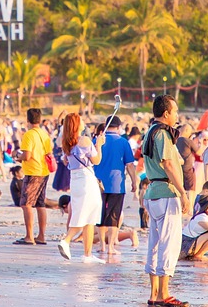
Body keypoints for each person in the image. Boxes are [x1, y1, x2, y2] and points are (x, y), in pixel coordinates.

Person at [141, 96, 191, 307]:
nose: (177, 115)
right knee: (169, 244)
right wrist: (183, 192)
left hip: (153, 192)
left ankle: (154, 293)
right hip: (166, 192)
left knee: (154, 244)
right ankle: (164, 293)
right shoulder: (162, 133)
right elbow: (169, 164)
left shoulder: (150, 132)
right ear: (166, 113)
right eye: (175, 111)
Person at [56, 112, 104, 263]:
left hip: (75, 179)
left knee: (89, 215)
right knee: (85, 214)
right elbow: (96, 160)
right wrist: (99, 145)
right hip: (86, 179)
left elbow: (66, 160)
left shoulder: (65, 142)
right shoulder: (84, 140)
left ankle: (87, 255)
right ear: (77, 124)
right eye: (81, 120)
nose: (84, 122)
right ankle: (66, 240)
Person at [94, 116, 139, 259]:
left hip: (97, 182)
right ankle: (111, 247)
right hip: (116, 183)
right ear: (119, 127)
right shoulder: (123, 142)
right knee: (114, 216)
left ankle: (101, 245)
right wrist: (134, 181)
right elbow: (130, 164)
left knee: (100, 216)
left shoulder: (97, 140)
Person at [14, 107, 54, 246]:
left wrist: (18, 157)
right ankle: (41, 236)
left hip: (33, 171)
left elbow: (27, 155)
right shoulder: (44, 134)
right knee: (40, 204)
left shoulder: (29, 134)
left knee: (26, 204)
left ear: (28, 120)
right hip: (44, 171)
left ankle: (29, 236)